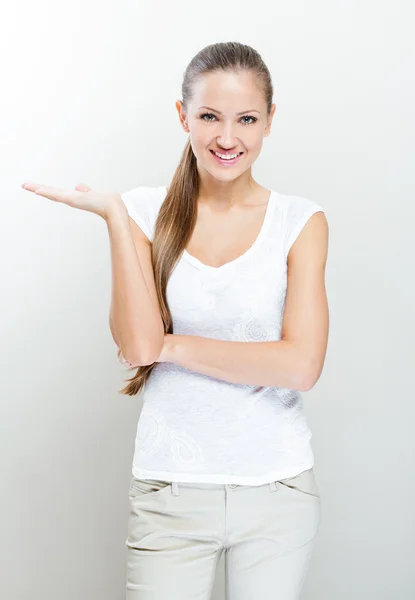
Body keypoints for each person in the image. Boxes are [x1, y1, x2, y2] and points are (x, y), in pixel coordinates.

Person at [22, 41, 329, 600]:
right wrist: (115, 214)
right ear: (183, 115)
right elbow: (139, 345)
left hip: (278, 490)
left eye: (246, 119)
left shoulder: (299, 221)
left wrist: (175, 346)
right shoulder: (140, 211)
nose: (227, 138)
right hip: (170, 492)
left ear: (269, 121)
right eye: (209, 116)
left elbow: (302, 365)